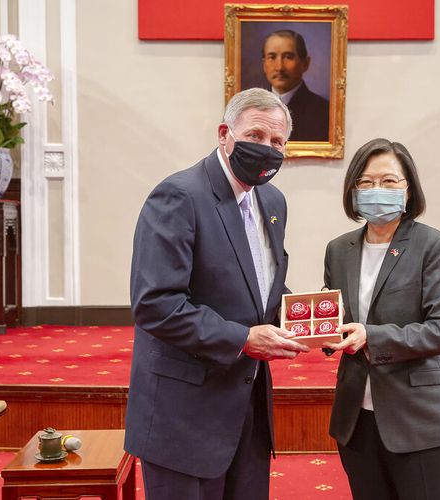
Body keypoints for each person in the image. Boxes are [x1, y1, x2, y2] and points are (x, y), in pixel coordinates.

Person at [125, 88, 310, 500]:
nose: (267, 148)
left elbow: (262, 287)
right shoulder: (178, 196)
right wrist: (243, 339)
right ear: (225, 133)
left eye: (277, 142)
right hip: (184, 414)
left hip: (246, 408)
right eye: (256, 136)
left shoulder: (272, 199)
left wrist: (311, 318)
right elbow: (156, 304)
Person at [323, 138, 440, 499]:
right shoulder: (339, 249)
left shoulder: (434, 246)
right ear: (353, 189)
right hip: (357, 418)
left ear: (408, 189)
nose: (377, 190)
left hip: (420, 419)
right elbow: (337, 314)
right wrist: (319, 332)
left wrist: (371, 336)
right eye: (366, 182)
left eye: (389, 182)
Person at [262, 29, 330, 142]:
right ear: (264, 65)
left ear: (305, 64)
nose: (279, 67)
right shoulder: (250, 109)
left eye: (288, 57)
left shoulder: (324, 112)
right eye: (272, 57)